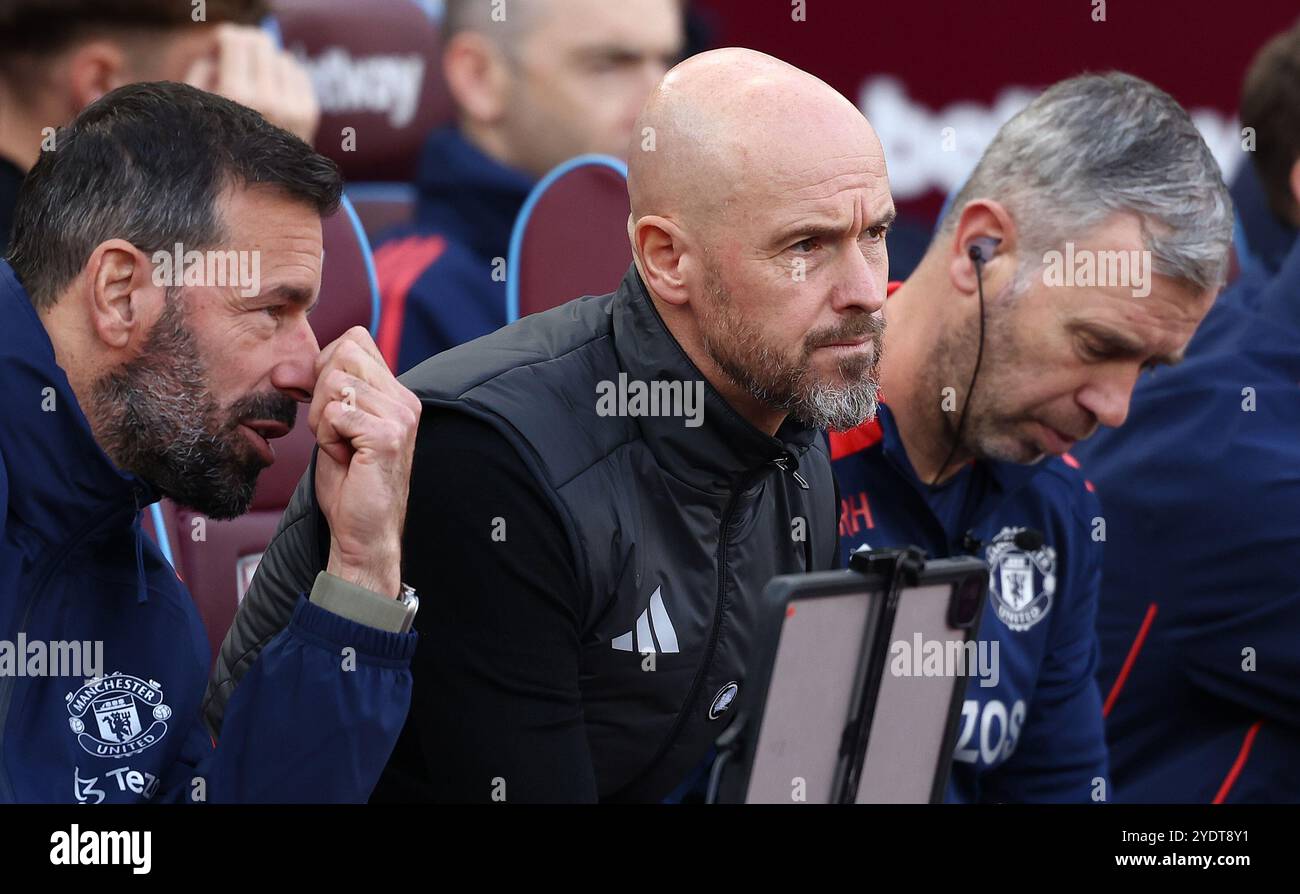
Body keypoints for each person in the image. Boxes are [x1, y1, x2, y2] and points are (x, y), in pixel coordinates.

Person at [206, 48, 890, 802]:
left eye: (876, 233)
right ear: (665, 259)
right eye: (807, 246)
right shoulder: (492, 463)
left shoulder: (791, 434)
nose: (865, 290)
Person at [0, 81, 421, 803]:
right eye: (270, 310)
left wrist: (362, 571)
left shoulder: (150, 624)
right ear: (122, 293)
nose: (305, 369)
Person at [831, 72, 1232, 802]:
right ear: (982, 250)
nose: (1115, 407)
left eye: (1148, 365)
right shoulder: (766, 438)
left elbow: (1057, 789)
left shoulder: (1059, 508)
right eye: (1097, 343)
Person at [371, 0, 684, 371]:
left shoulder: (695, 255)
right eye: (609, 64)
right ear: (479, 77)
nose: (658, 102)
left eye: (668, 61)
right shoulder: (406, 295)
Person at [0, 0, 320, 255]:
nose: (238, 103)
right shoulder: (40, 278)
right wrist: (253, 182)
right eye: (214, 73)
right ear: (102, 85)